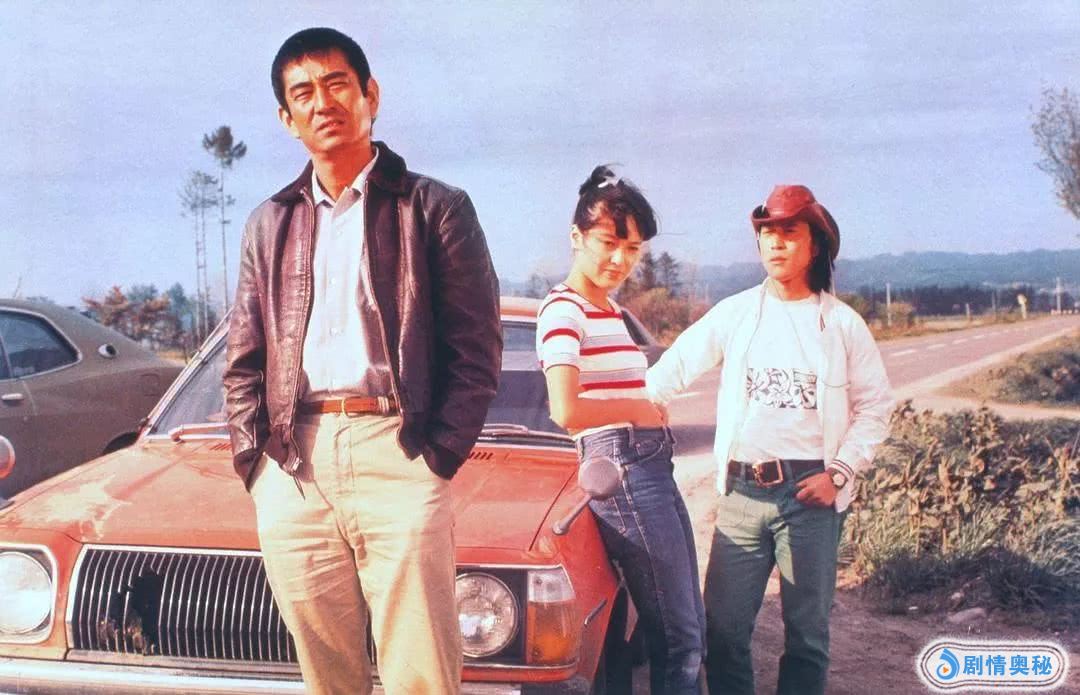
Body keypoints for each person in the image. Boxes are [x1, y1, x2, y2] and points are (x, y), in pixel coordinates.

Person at [222, 27, 501, 695]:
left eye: (337, 84)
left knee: (421, 672)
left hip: (399, 448)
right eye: (303, 94)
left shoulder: (435, 208)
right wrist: (256, 464)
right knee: (327, 675)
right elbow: (243, 359)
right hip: (294, 463)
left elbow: (476, 348)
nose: (323, 103)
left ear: (370, 95)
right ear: (287, 119)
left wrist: (437, 455)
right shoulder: (269, 223)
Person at [646, 185, 893, 695]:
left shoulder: (842, 325)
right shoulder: (736, 313)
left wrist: (838, 474)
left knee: (807, 637)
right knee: (722, 630)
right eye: (767, 233)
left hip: (810, 496)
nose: (776, 243)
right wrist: (630, 406)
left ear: (815, 245)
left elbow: (875, 408)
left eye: (789, 232)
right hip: (742, 494)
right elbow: (671, 369)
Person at [536, 165, 706, 694]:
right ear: (577, 237)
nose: (620, 260)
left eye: (632, 249)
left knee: (688, 627)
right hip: (622, 469)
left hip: (648, 465)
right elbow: (565, 410)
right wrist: (637, 409)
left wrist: (643, 412)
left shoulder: (608, 310)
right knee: (679, 639)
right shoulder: (564, 311)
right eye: (608, 243)